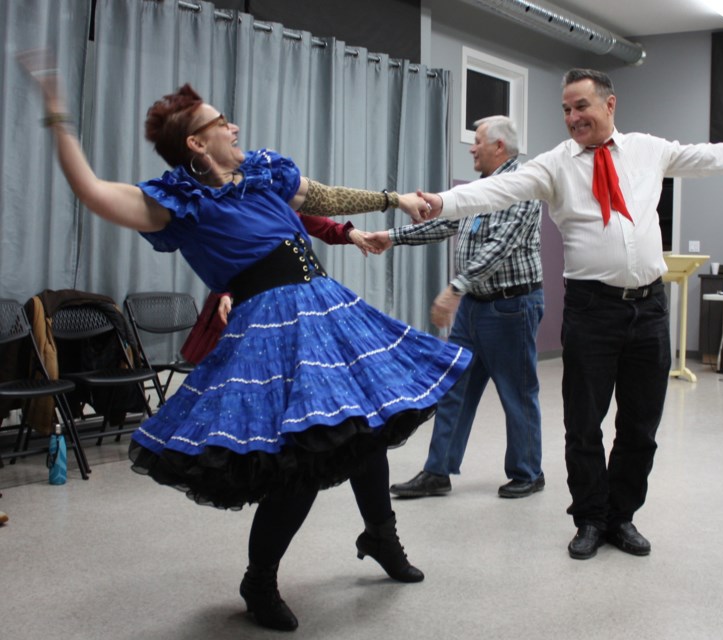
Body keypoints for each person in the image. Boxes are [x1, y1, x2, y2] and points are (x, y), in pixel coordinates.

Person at [21, 51, 471, 632]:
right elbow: (90, 190)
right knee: (303, 459)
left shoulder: (263, 173)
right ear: (197, 145)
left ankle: (380, 535)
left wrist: (393, 200)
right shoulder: (178, 204)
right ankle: (260, 579)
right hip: (269, 331)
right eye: (220, 123)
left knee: (363, 431)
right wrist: (58, 117)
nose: (233, 127)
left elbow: (325, 197)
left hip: (326, 310)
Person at [417, 68, 723, 560]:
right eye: (565, 109)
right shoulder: (554, 165)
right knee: (584, 424)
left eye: (581, 106)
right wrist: (440, 202)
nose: (572, 117)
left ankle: (621, 516)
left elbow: (710, 157)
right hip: (591, 311)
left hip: (648, 309)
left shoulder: (648, 150)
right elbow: (496, 191)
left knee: (640, 425)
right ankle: (589, 518)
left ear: (609, 105)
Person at [366, 116, 545, 499]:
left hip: (511, 306)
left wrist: (454, 289)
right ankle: (438, 471)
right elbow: (446, 224)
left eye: (478, 141)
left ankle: (528, 472)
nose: (472, 148)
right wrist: (392, 237)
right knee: (454, 388)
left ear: (499, 146)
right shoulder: (480, 189)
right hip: (475, 307)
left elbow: (500, 247)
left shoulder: (525, 187)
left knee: (516, 391)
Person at [182, 213, 381, 365]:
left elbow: (323, 226)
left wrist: (350, 233)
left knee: (307, 359)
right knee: (255, 364)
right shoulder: (236, 210)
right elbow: (221, 252)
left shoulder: (283, 203)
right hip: (255, 299)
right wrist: (225, 293)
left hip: (298, 299)